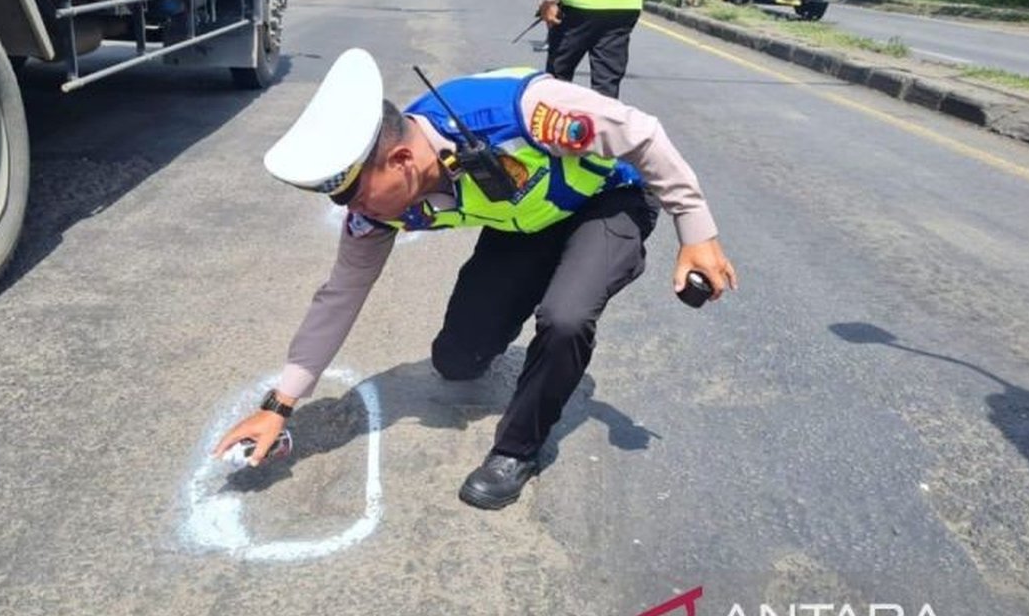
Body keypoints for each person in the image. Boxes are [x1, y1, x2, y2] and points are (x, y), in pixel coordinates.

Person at [214, 49, 736, 510]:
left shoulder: (517, 111)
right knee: (456, 361)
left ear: (400, 161)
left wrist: (696, 231)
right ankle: (517, 318)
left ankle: (516, 452)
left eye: (353, 195)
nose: (353, 211)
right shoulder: (379, 206)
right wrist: (279, 405)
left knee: (565, 316)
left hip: (607, 202)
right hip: (528, 224)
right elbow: (341, 294)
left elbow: (641, 133)